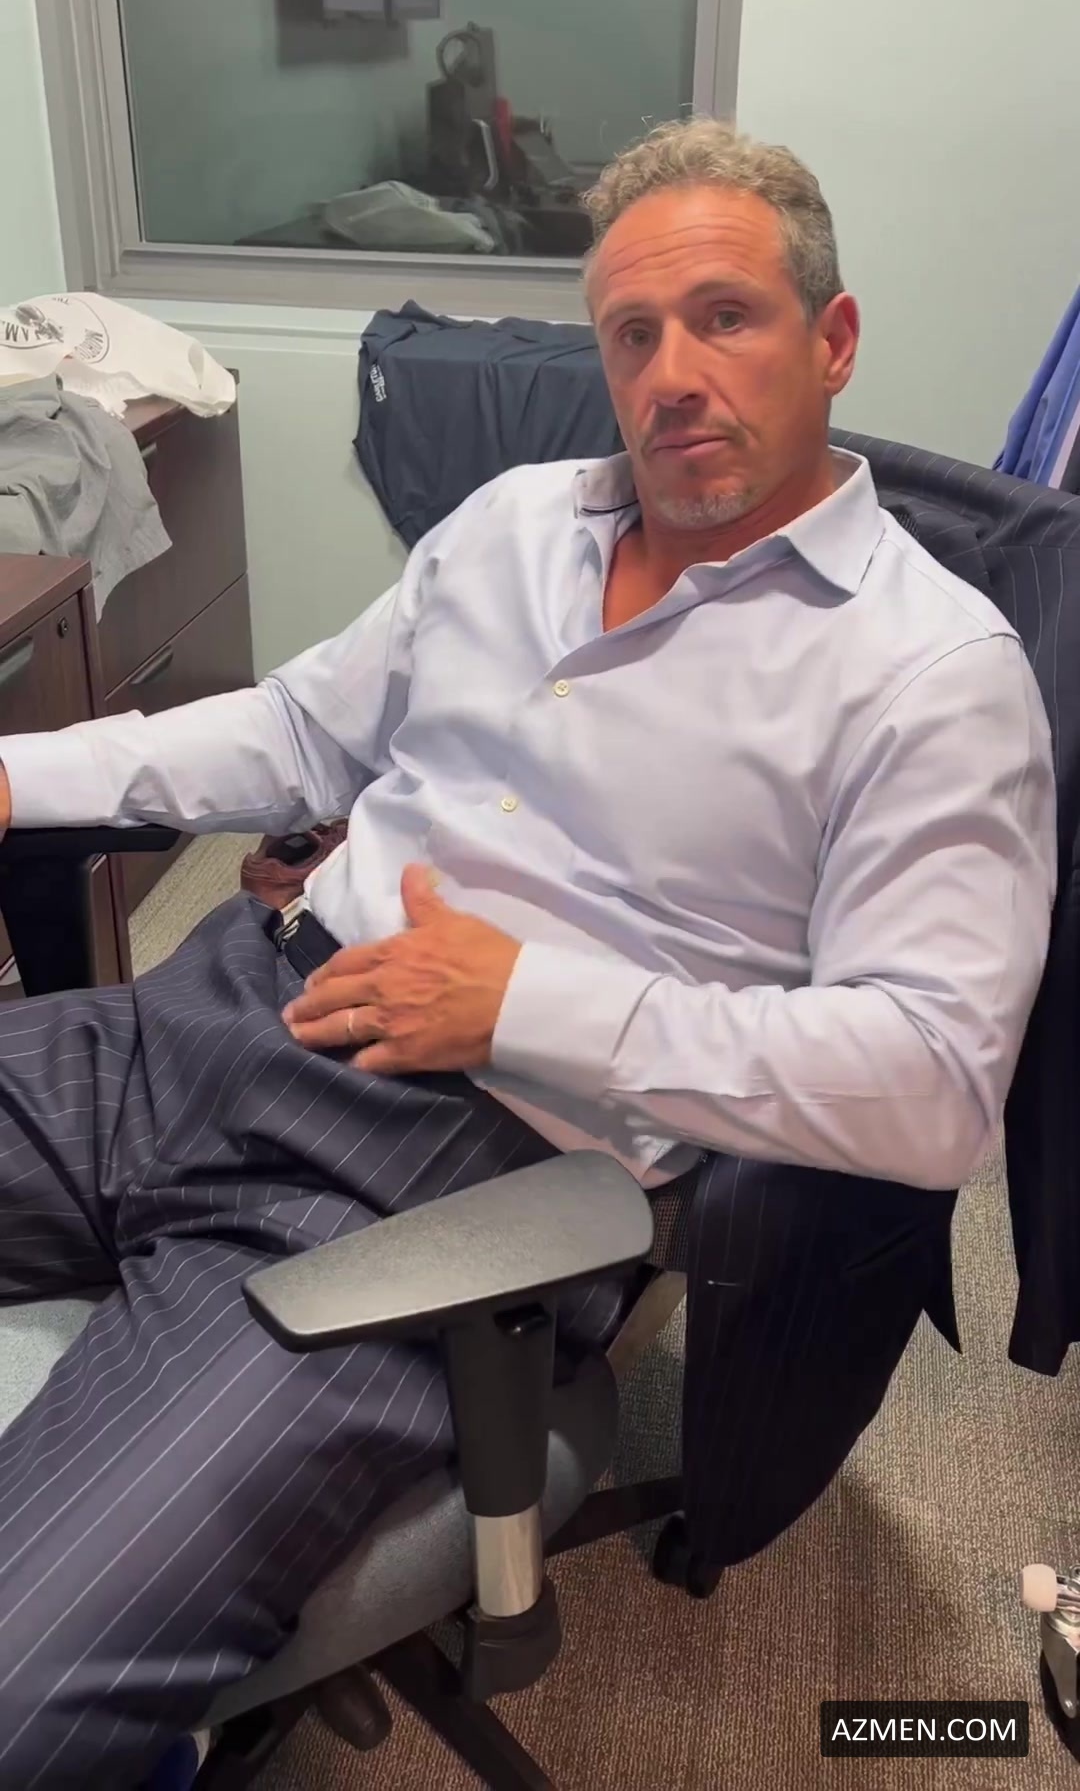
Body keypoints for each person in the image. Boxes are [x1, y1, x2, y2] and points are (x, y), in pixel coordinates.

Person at [0, 118, 1056, 1788]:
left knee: (18, 1691)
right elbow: (296, 733)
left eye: (726, 316)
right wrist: (14, 777)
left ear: (834, 339)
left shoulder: (933, 676)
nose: (671, 374)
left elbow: (930, 1088)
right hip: (214, 1016)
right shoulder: (511, 525)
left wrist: (520, 1002)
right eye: (632, 333)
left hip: (431, 1182)